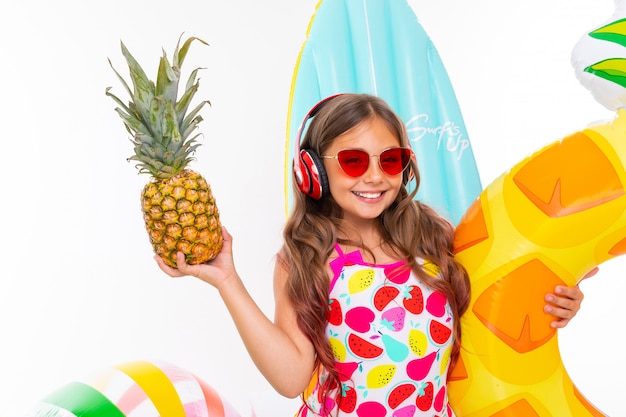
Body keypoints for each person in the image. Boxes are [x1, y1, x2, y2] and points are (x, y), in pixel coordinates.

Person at [156, 93, 586, 416]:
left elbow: (499, 301)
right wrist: (227, 281)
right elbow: (290, 380)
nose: (376, 177)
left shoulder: (435, 240)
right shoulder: (306, 260)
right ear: (314, 169)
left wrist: (561, 299)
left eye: (391, 160)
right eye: (354, 161)